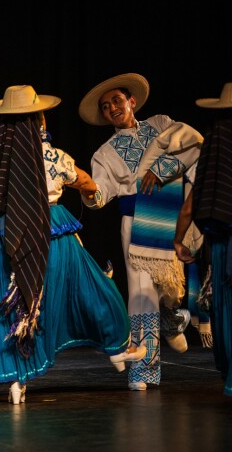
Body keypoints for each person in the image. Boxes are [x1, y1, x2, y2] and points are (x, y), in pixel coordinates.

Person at [0, 84, 140, 406]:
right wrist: (88, 194)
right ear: (40, 120)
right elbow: (87, 183)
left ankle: (18, 380)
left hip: (6, 236)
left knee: (17, 303)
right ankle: (118, 349)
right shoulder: (54, 157)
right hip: (51, 233)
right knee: (93, 289)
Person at [79, 73, 202, 388]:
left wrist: (161, 171)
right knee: (142, 293)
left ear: (131, 101)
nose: (112, 108)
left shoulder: (161, 124)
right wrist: (86, 189)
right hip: (136, 221)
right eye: (106, 107)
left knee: (172, 288)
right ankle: (144, 369)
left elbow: (191, 142)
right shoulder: (104, 154)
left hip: (171, 215)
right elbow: (101, 193)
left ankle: (171, 319)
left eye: (117, 101)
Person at [175, 84, 232, 397]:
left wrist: (178, 240)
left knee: (228, 305)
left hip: (225, 245)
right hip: (225, 244)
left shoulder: (217, 143)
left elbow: (191, 204)